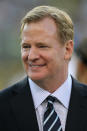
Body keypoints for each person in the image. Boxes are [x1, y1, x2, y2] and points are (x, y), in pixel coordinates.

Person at [0, 5, 87, 131]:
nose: (31, 56)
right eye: (26, 46)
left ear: (67, 50)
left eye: (42, 46)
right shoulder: (3, 106)